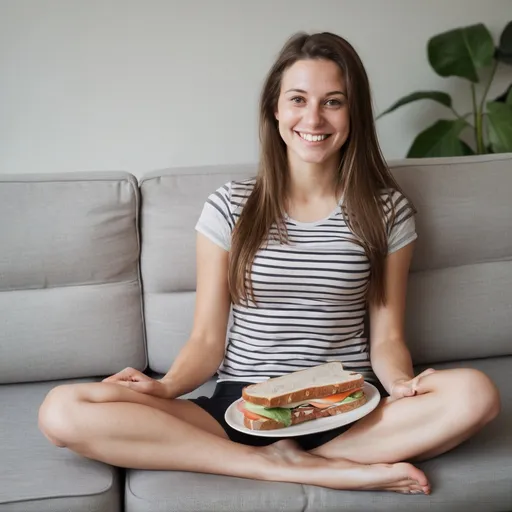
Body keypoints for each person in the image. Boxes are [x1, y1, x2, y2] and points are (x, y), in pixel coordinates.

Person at [38, 32, 501, 495]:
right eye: (297, 99)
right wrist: (166, 388)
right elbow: (205, 339)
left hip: (349, 409)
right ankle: (283, 465)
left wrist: (400, 383)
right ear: (275, 109)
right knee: (62, 409)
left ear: (353, 112)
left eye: (333, 102)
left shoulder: (387, 211)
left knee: (476, 393)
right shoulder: (229, 206)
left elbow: (389, 336)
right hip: (241, 407)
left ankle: (300, 457)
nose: (313, 118)